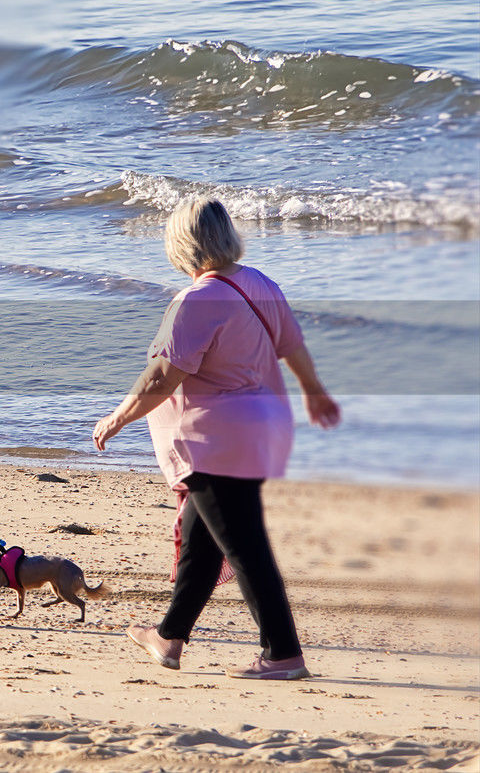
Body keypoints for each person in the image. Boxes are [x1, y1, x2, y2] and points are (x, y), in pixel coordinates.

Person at [93, 198, 340, 680]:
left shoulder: (197, 301)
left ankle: (282, 654)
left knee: (245, 544)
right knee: (204, 542)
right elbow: (292, 345)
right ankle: (170, 637)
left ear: (182, 244)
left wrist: (117, 417)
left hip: (214, 440)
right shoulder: (259, 283)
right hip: (258, 431)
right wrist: (314, 392)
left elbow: (162, 378)